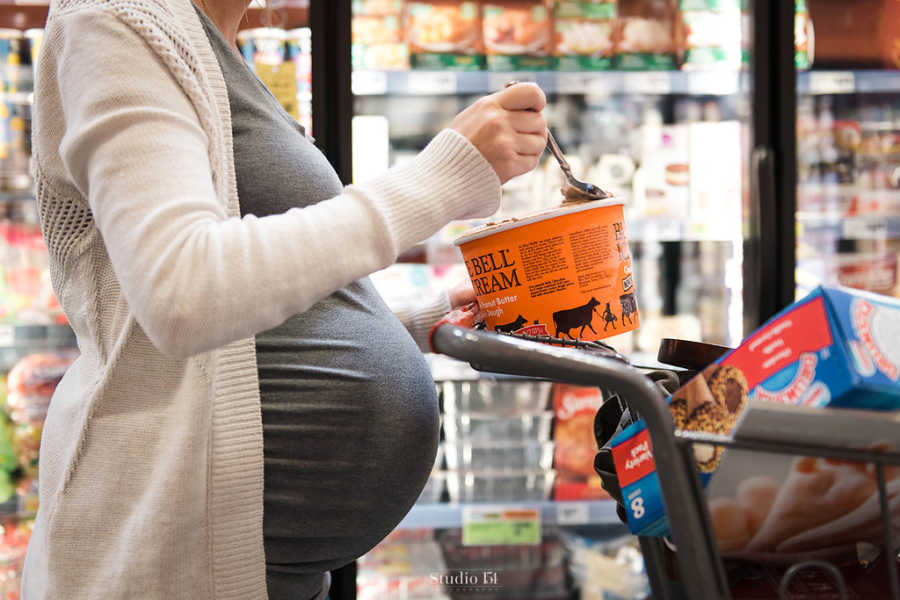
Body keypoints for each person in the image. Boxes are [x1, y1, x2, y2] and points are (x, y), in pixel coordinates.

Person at [23, 0, 547, 597]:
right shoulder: (116, 16)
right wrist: (439, 180)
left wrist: (409, 324)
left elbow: (240, 328)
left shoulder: (213, 39)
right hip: (165, 559)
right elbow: (181, 291)